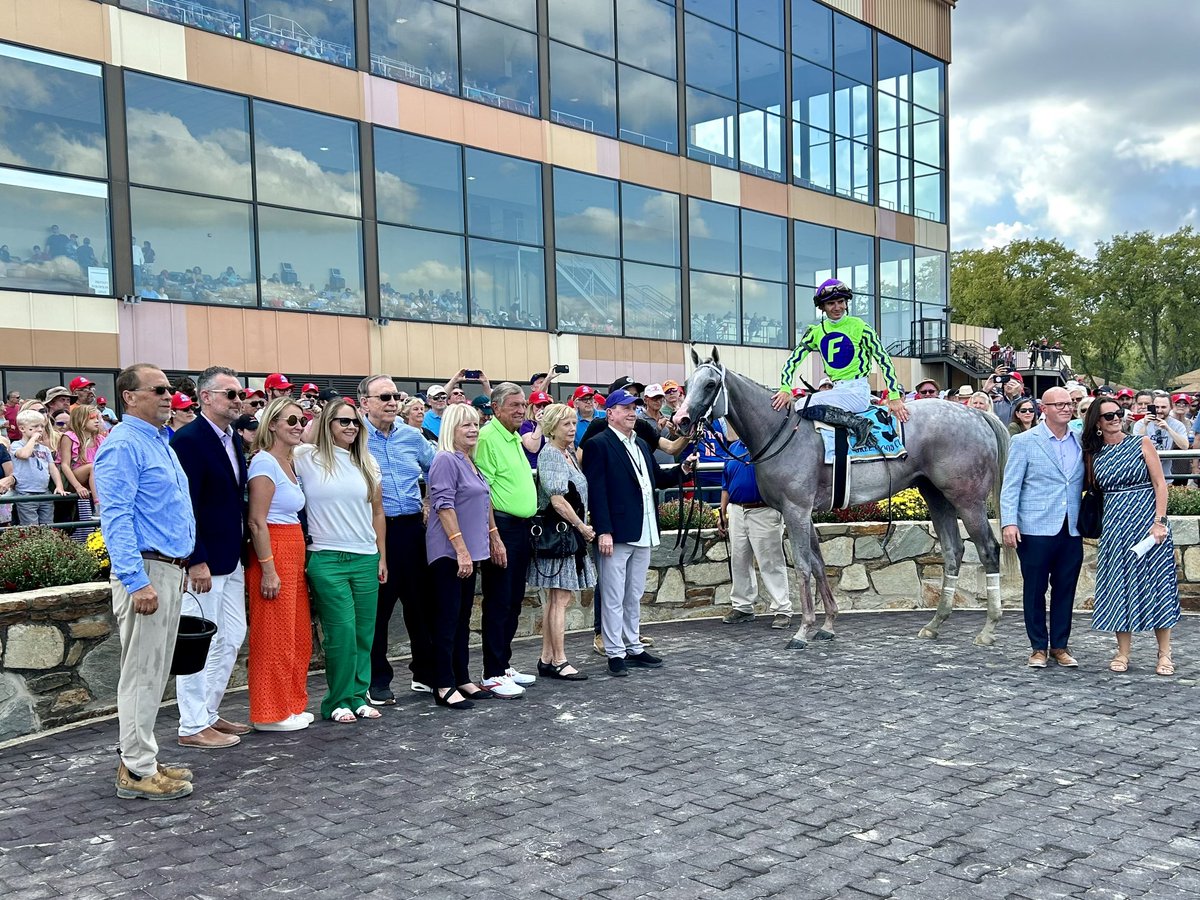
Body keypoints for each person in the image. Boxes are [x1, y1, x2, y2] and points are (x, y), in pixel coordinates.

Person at [95, 363, 196, 801]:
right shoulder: (123, 446)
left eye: (170, 388)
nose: (168, 395)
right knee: (142, 673)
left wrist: (182, 566)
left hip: (167, 567)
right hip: (147, 569)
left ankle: (141, 759)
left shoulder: (161, 442)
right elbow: (114, 517)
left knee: (153, 673)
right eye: (157, 389)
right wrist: (137, 581)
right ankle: (136, 769)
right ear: (129, 396)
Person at [582, 388, 695, 676]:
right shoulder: (599, 444)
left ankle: (633, 645)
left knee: (633, 594)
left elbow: (656, 479)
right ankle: (615, 652)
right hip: (617, 532)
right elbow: (597, 491)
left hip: (643, 529)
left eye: (634, 407)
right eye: (625, 408)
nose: (632, 412)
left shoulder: (641, 444)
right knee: (612, 594)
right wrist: (603, 531)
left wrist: (681, 469)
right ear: (610, 413)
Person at [169, 367, 252, 749]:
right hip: (204, 560)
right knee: (199, 641)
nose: (238, 401)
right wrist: (195, 558)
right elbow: (185, 505)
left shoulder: (232, 439)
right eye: (230, 394)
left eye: (240, 394)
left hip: (231, 555)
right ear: (205, 397)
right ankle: (191, 724)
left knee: (232, 635)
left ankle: (208, 712)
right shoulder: (189, 440)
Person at [294, 400, 388, 722]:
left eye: (355, 422)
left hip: (365, 556)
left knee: (365, 633)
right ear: (326, 423)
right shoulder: (306, 457)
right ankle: (337, 701)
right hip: (326, 557)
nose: (350, 427)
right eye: (342, 421)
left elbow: (377, 512)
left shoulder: (367, 461)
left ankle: (359, 696)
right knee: (342, 633)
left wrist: (382, 556)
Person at [1082, 398, 1179, 675]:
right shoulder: (1094, 454)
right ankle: (1122, 653)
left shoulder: (1141, 442)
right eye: (1108, 415)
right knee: (1119, 587)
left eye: (1118, 413)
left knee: (1158, 585)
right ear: (1097, 423)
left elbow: (1160, 484)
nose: (1115, 418)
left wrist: (1160, 522)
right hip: (1115, 527)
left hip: (1149, 526)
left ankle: (1164, 654)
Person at [360, 374, 436, 705]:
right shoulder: (354, 437)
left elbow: (436, 467)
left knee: (421, 606)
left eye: (395, 397)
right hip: (374, 531)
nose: (392, 403)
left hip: (411, 529)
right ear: (365, 403)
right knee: (378, 610)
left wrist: (431, 501)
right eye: (384, 397)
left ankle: (425, 673)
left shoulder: (411, 435)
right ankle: (378, 679)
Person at [425, 403, 504, 709]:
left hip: (471, 553)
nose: (473, 430)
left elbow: (485, 504)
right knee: (446, 620)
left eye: (475, 424)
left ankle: (462, 677)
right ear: (451, 430)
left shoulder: (470, 462)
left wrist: (493, 537)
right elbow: (443, 505)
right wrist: (460, 549)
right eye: (465, 426)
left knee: (461, 620)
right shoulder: (445, 459)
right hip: (449, 554)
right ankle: (443, 683)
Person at [1000, 387, 1085, 669]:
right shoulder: (1025, 441)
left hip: (1071, 527)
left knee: (1065, 589)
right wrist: (1009, 522)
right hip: (1034, 527)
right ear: (1043, 408)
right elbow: (1011, 485)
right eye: (1058, 404)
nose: (1066, 408)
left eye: (1069, 403)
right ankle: (1038, 647)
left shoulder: (1080, 441)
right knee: (1034, 590)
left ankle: (1060, 646)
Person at [771, 279, 909, 445]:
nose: (837, 307)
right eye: (831, 303)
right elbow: (792, 362)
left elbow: (883, 359)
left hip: (857, 391)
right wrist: (785, 388)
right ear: (822, 307)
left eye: (841, 302)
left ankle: (859, 424)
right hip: (837, 391)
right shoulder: (816, 332)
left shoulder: (860, 326)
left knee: (801, 405)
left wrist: (894, 396)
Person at [246, 397, 312, 731]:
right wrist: (268, 568)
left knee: (296, 634)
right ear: (272, 424)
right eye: (290, 421)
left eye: (301, 420)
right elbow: (257, 521)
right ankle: (268, 713)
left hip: (293, 548)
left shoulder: (290, 463)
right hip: (274, 551)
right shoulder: (264, 463)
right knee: (272, 635)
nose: (298, 426)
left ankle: (289, 703)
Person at [475, 382, 540, 697]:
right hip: (501, 527)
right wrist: (493, 535)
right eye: (513, 404)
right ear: (496, 407)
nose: (520, 409)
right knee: (499, 600)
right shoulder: (488, 437)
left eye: (523, 404)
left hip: (521, 527)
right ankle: (492, 672)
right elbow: (483, 490)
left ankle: (503, 665)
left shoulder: (513, 436)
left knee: (513, 600)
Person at [530, 403, 596, 680]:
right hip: (560, 535)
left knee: (558, 599)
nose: (572, 428)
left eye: (573, 423)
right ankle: (558, 660)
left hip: (566, 535)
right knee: (559, 599)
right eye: (566, 424)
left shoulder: (566, 453)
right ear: (552, 427)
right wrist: (582, 527)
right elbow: (557, 500)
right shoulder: (552, 455)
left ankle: (547, 658)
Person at [718, 423, 792, 629]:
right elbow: (726, 481)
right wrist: (722, 511)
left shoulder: (767, 445)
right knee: (739, 560)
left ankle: (782, 608)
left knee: (771, 561)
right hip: (737, 509)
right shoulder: (734, 448)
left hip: (764, 510)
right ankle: (742, 606)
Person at [11, 409, 67, 524]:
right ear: (22, 429)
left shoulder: (44, 449)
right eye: (35, 426)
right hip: (25, 492)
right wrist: (33, 439)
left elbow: (52, 468)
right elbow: (24, 454)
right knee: (31, 528)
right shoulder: (16, 445)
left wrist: (59, 485)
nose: (40, 430)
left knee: (48, 527)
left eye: (42, 426)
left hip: (44, 492)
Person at [58, 404, 105, 537]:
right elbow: (65, 465)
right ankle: (98, 507)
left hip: (94, 477)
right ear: (81, 419)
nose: (96, 421)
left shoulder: (99, 438)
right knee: (92, 466)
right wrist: (78, 487)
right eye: (92, 418)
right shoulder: (69, 436)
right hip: (75, 475)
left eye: (98, 417)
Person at [1133, 394, 1188, 483]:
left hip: (1165, 476)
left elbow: (1185, 446)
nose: (1159, 410)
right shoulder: (1140, 424)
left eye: (1163, 407)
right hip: (1143, 477)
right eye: (1157, 407)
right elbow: (1134, 446)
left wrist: (1168, 429)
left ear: (1171, 407)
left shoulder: (1177, 425)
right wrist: (1145, 425)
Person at [519, 390, 552, 467]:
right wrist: (539, 424)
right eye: (538, 405)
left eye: (545, 405)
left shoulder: (551, 424)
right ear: (531, 407)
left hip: (550, 465)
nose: (542, 408)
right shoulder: (526, 425)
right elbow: (533, 448)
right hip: (534, 467)